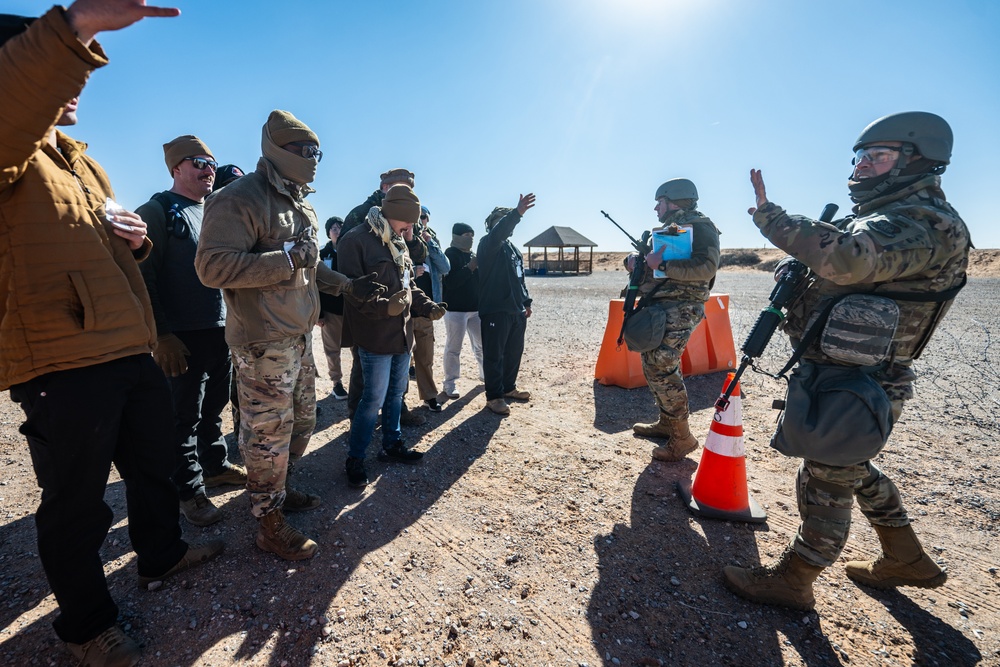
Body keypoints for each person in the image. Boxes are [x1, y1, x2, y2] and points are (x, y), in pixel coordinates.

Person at [0, 5, 225, 665]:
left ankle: (161, 554)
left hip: (127, 345)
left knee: (153, 464)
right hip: (60, 358)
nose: (79, 81)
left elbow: (110, 252)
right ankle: (86, 624)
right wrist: (78, 26)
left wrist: (138, 240)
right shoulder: (8, 149)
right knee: (76, 505)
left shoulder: (79, 162)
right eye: (56, 67)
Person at [723, 111, 970, 611]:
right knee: (849, 467)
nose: (860, 168)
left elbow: (850, 259)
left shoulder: (925, 223)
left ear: (918, 161)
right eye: (859, 156)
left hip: (864, 378)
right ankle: (906, 557)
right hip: (842, 369)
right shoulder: (886, 216)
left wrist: (774, 218)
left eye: (877, 157)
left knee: (826, 479)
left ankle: (795, 580)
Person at [195, 110, 386, 561]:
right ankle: (267, 520)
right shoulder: (239, 198)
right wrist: (285, 261)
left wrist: (345, 285)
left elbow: (310, 262)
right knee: (267, 434)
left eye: (317, 151)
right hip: (262, 343)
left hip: (297, 338)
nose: (313, 159)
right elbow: (212, 267)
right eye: (304, 151)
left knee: (302, 422)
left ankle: (278, 489)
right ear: (278, 150)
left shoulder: (301, 202)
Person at [136, 135, 247, 529]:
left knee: (213, 407)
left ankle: (216, 466)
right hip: (181, 337)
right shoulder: (157, 211)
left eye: (211, 163)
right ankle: (189, 491)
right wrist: (161, 335)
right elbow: (141, 277)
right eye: (199, 162)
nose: (208, 169)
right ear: (176, 167)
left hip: (219, 329)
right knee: (182, 418)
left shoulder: (212, 209)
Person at [339, 185, 446, 488]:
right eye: (407, 222)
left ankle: (391, 444)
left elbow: (408, 284)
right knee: (371, 398)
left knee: (397, 393)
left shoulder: (397, 241)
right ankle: (356, 457)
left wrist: (427, 305)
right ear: (394, 214)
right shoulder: (356, 240)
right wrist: (384, 307)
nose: (411, 228)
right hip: (375, 336)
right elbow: (352, 292)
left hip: (402, 335)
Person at [626, 179, 721, 461]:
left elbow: (706, 266)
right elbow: (653, 268)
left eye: (660, 201)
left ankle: (683, 437)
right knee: (652, 364)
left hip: (682, 306)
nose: (656, 207)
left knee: (663, 367)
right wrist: (635, 261)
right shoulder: (671, 230)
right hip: (661, 305)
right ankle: (668, 423)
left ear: (675, 200)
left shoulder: (700, 226)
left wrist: (663, 265)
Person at [477, 193, 536, 415]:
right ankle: (494, 397)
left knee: (513, 352)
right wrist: (516, 213)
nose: (507, 226)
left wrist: (526, 301)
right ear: (494, 226)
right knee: (494, 354)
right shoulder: (488, 244)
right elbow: (499, 232)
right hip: (495, 311)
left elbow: (519, 277)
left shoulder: (513, 249)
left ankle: (508, 388)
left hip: (516, 310)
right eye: (502, 222)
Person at [411, 206, 450, 411]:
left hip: (426, 309)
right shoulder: (400, 236)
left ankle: (429, 396)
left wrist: (430, 243)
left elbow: (445, 267)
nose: (420, 221)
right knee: (400, 362)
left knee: (425, 358)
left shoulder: (431, 239)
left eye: (424, 217)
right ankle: (397, 402)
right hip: (404, 310)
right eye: (417, 217)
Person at [441, 222, 485, 400]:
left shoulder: (473, 255)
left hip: (475, 309)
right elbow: (451, 283)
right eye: (467, 235)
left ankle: (485, 375)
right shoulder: (450, 254)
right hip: (455, 310)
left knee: (482, 344)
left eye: (472, 235)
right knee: (453, 348)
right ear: (457, 236)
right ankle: (450, 384)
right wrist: (470, 267)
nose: (471, 239)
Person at [318, 216, 348, 400]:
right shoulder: (322, 255)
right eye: (333, 228)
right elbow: (316, 285)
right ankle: (337, 383)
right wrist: (319, 313)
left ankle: (359, 383)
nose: (337, 230)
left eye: (339, 227)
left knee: (357, 348)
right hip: (330, 310)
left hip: (351, 310)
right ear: (328, 233)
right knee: (332, 349)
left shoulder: (351, 251)